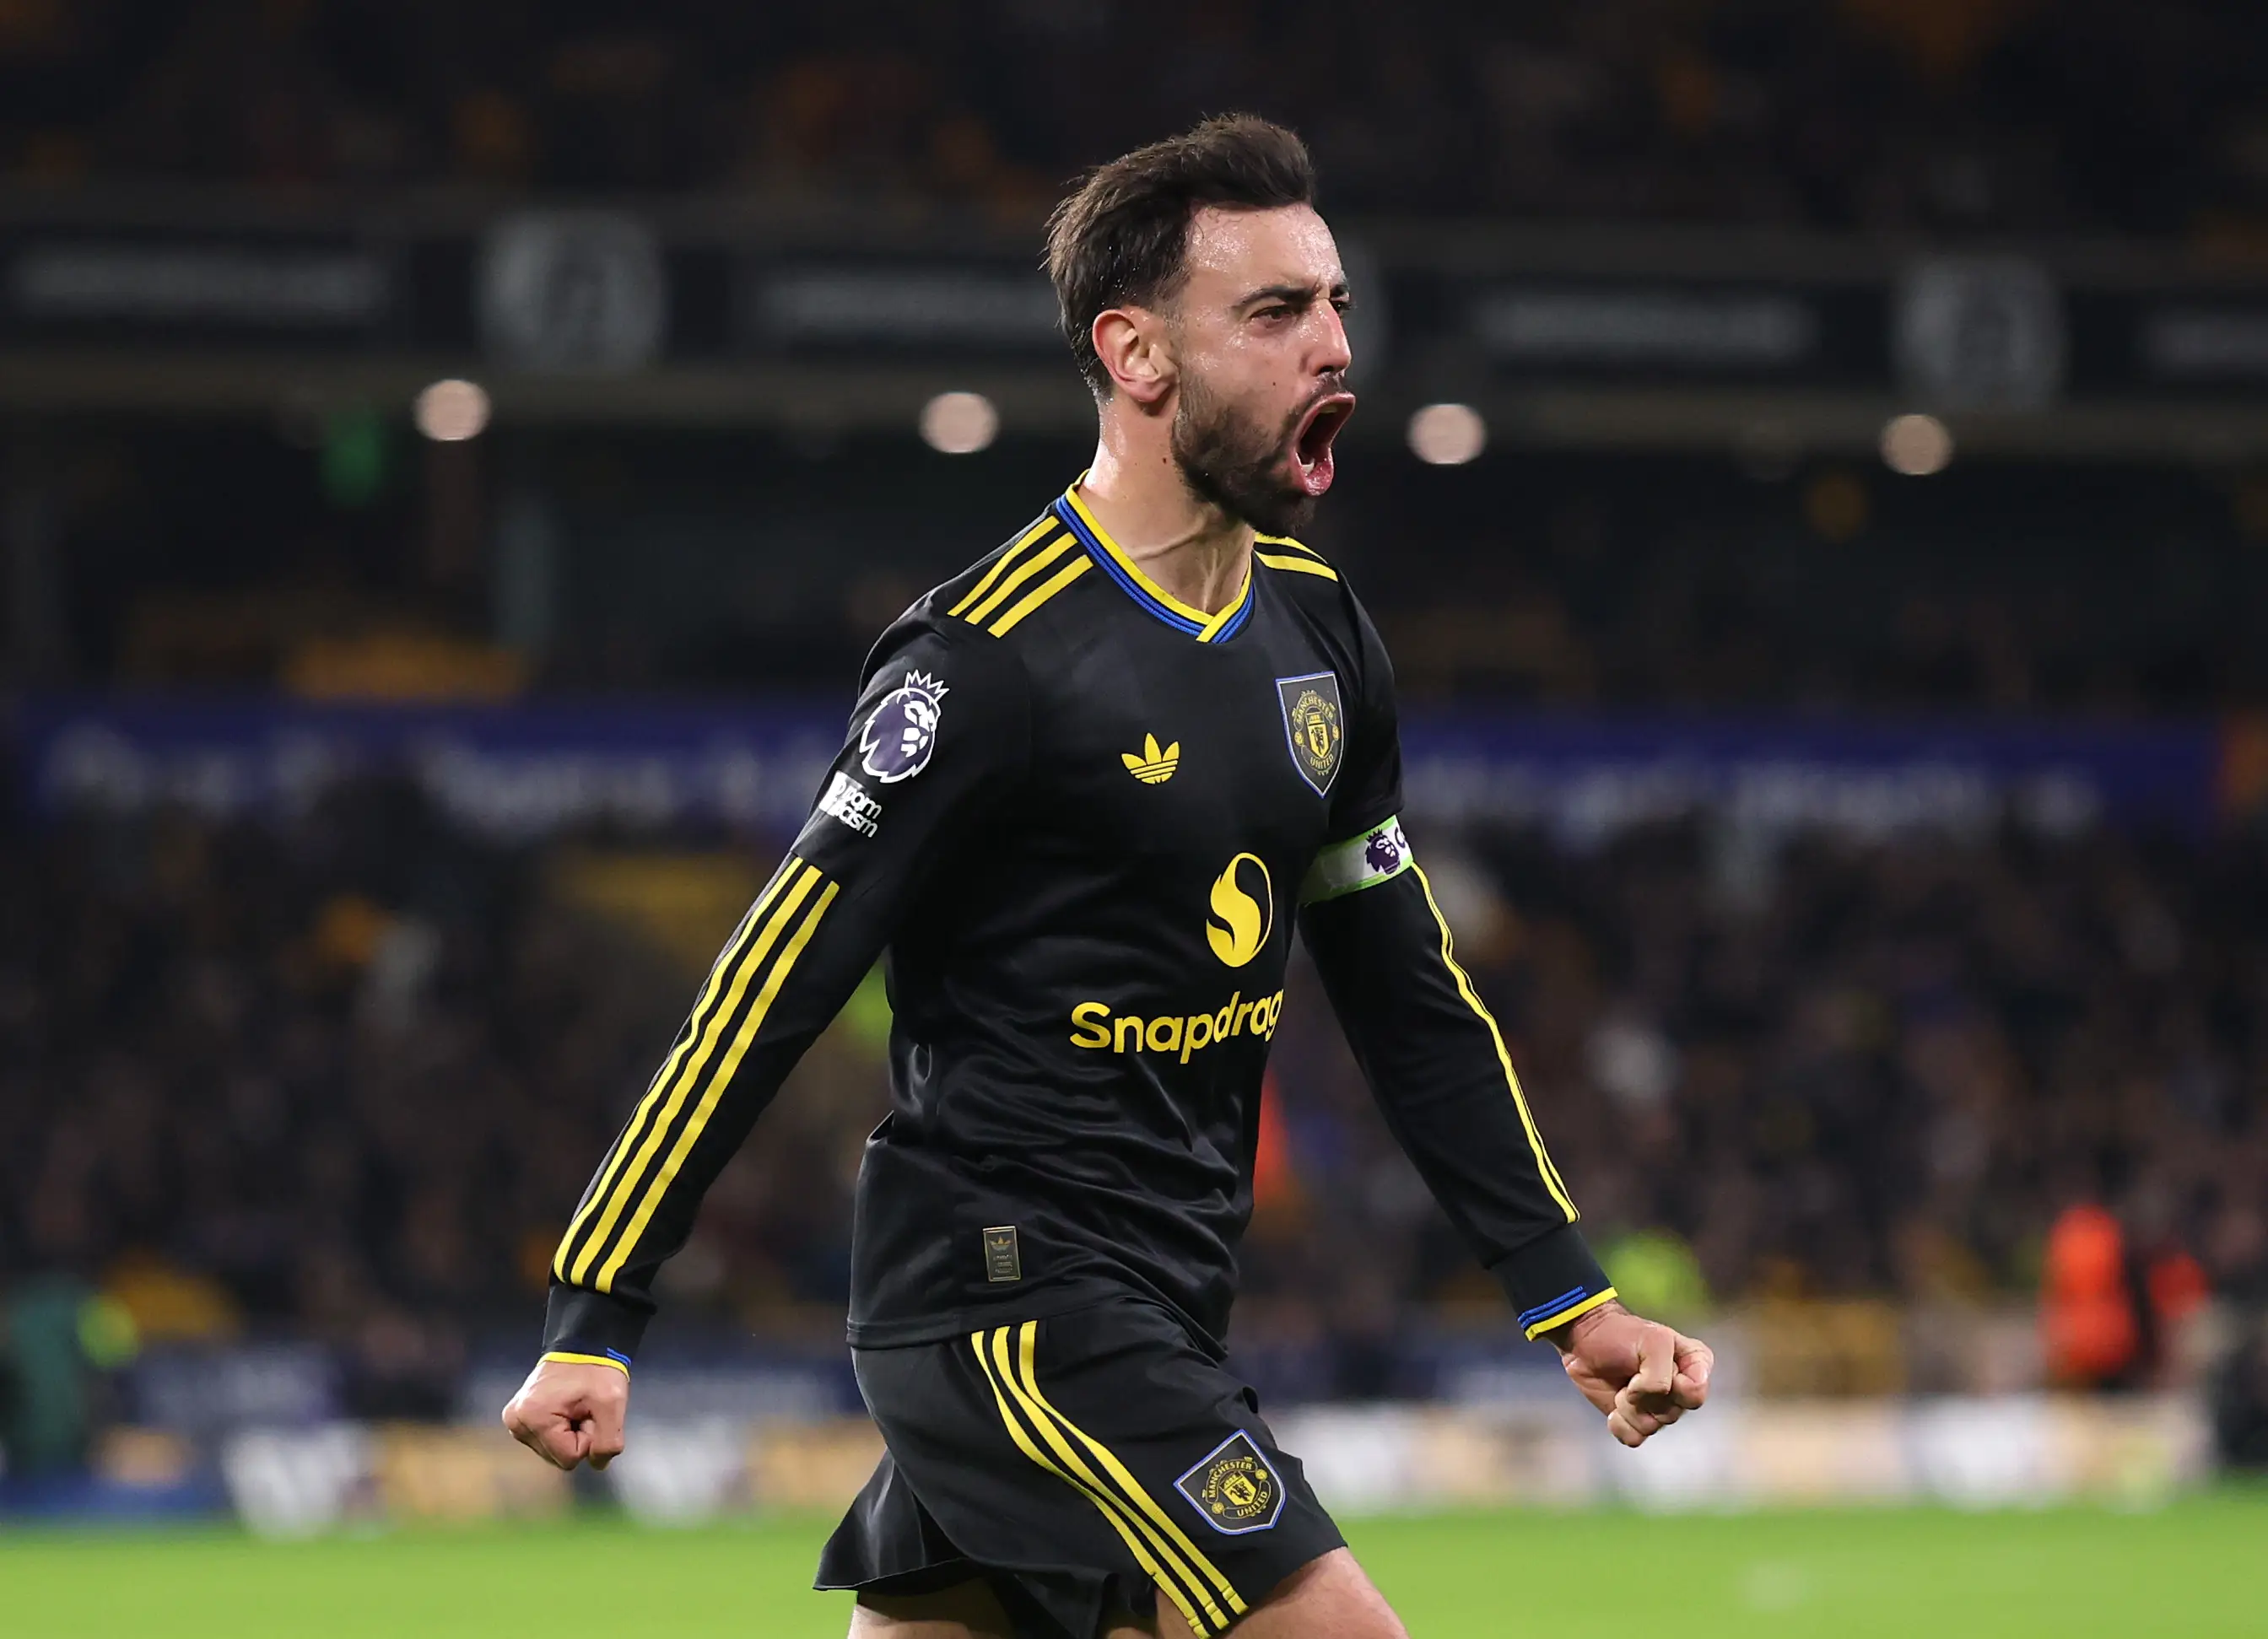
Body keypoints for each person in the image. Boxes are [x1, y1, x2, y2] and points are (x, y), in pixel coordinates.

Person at [505, 115, 1711, 1638]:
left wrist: (1570, 1298)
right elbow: (773, 981)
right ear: (1137, 356)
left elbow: (1411, 996)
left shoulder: (1323, 634)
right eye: (1274, 315)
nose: (1331, 347)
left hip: (1159, 1294)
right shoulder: (988, 659)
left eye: (1335, 305)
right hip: (1010, 1300)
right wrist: (597, 1306)